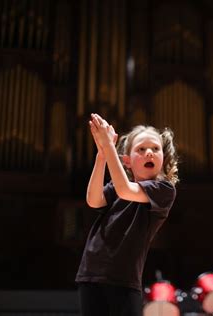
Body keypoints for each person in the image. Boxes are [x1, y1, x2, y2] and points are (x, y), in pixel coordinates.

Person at [75, 113, 179, 316]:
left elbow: (126, 191)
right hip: (91, 272)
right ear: (127, 161)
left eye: (155, 149)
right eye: (141, 149)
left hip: (123, 280)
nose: (149, 152)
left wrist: (109, 147)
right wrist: (102, 155)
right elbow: (93, 200)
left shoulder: (164, 189)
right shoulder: (117, 185)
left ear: (163, 158)